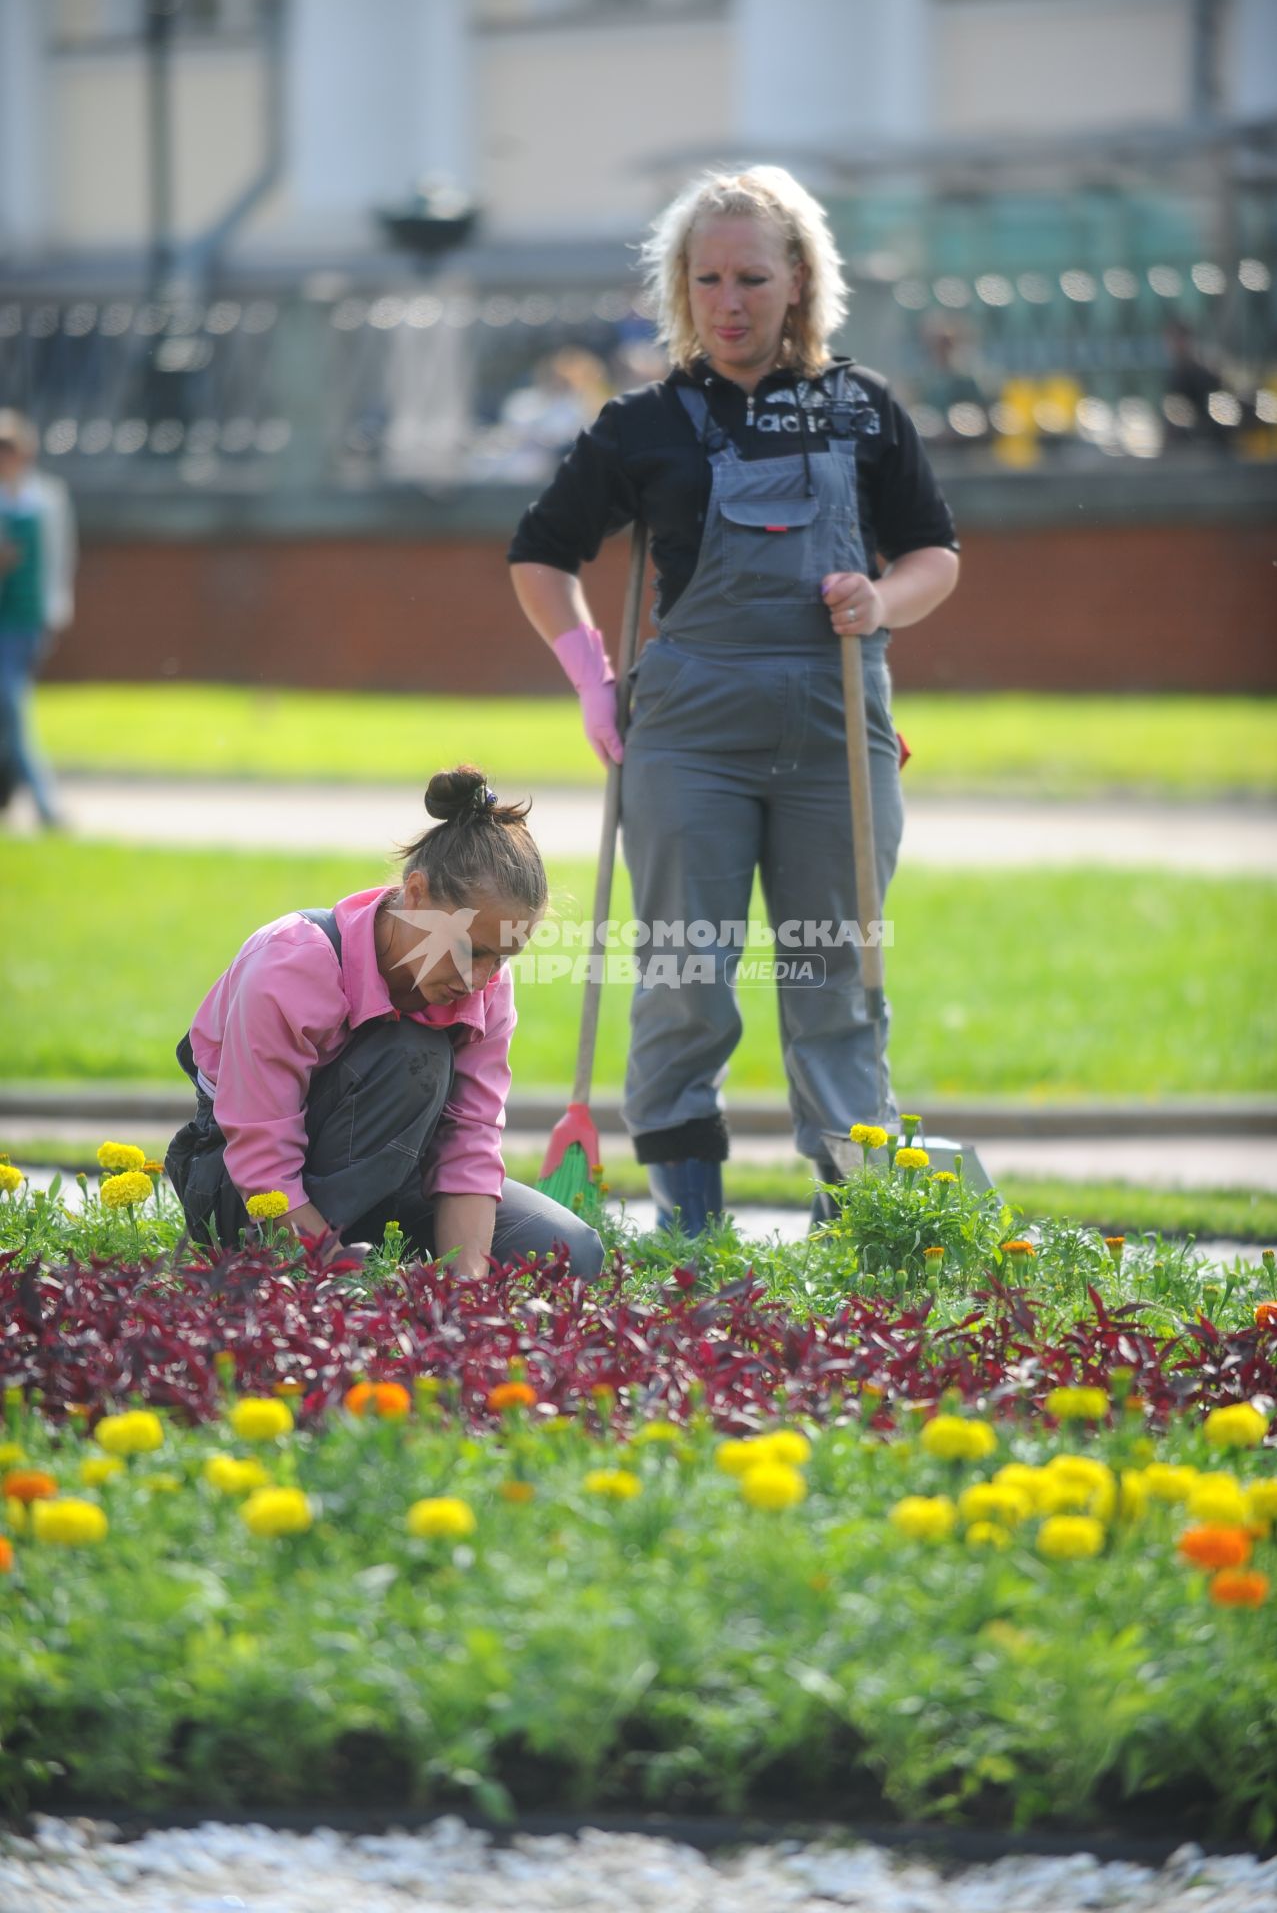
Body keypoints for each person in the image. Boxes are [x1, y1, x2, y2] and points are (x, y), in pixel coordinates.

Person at [508, 166, 959, 1235]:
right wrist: (590, 682)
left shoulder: (862, 410)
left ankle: (855, 1223)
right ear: (680, 286)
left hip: (835, 732)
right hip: (686, 741)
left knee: (833, 979)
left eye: (750, 276)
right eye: (705, 278)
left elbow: (934, 555)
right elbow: (541, 557)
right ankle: (688, 1232)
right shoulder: (643, 422)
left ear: (798, 277)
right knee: (683, 978)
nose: (727, 300)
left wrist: (880, 596)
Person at [165, 766, 604, 1280]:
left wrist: (467, 1291)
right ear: (415, 894)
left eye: (502, 958)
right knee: (413, 1055)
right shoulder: (292, 965)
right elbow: (263, 1168)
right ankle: (311, 1264)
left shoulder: (485, 987)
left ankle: (374, 1251)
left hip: (395, 1182)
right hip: (244, 1194)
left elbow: (469, 1143)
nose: (481, 978)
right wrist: (341, 1279)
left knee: (569, 1251)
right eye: (471, 949)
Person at [0, 409, 77, 827]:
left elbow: (60, 558)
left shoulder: (45, 499)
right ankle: (36, 802)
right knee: (10, 710)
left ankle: (32, 800)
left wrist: (56, 613)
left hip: (25, 619)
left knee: (11, 707)